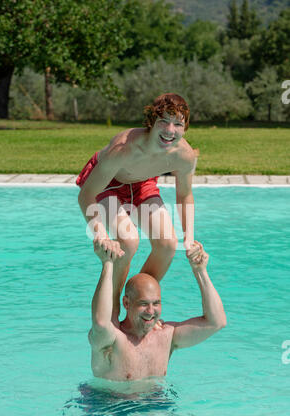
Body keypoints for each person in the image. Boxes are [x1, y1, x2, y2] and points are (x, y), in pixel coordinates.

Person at [77, 93, 199, 324]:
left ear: (185, 127)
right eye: (163, 121)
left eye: (178, 124)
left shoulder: (184, 156)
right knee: (128, 241)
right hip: (107, 182)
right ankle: (110, 313)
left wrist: (189, 238)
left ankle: (135, 304)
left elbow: (184, 195)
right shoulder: (124, 149)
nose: (170, 130)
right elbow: (87, 195)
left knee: (167, 244)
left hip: (142, 183)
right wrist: (101, 235)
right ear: (151, 122)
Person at [89, 238, 226, 382]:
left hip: (156, 402)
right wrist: (108, 264)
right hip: (107, 403)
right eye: (143, 304)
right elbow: (101, 323)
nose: (150, 311)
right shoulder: (112, 340)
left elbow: (217, 322)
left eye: (156, 303)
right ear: (126, 303)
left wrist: (200, 271)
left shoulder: (166, 337)